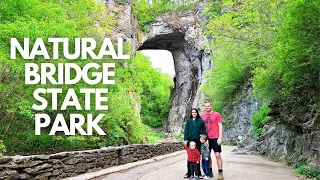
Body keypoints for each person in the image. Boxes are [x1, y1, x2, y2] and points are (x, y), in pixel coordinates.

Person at [201, 101, 224, 180]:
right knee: (207, 156)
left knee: (217, 155)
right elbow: (201, 128)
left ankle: (220, 172)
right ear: (204, 107)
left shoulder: (217, 115)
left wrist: (220, 137)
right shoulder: (202, 116)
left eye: (208, 106)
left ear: (211, 106)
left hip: (215, 138)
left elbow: (220, 126)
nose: (207, 107)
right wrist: (202, 138)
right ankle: (209, 171)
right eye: (206, 106)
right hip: (206, 139)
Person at [183, 108, 207, 179]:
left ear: (197, 113)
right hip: (190, 141)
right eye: (193, 112)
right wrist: (185, 140)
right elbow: (186, 131)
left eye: (195, 112)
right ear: (191, 113)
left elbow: (204, 131)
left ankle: (198, 173)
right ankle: (189, 173)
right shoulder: (188, 121)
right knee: (190, 157)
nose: (194, 113)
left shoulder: (200, 121)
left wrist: (204, 139)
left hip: (197, 141)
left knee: (197, 157)